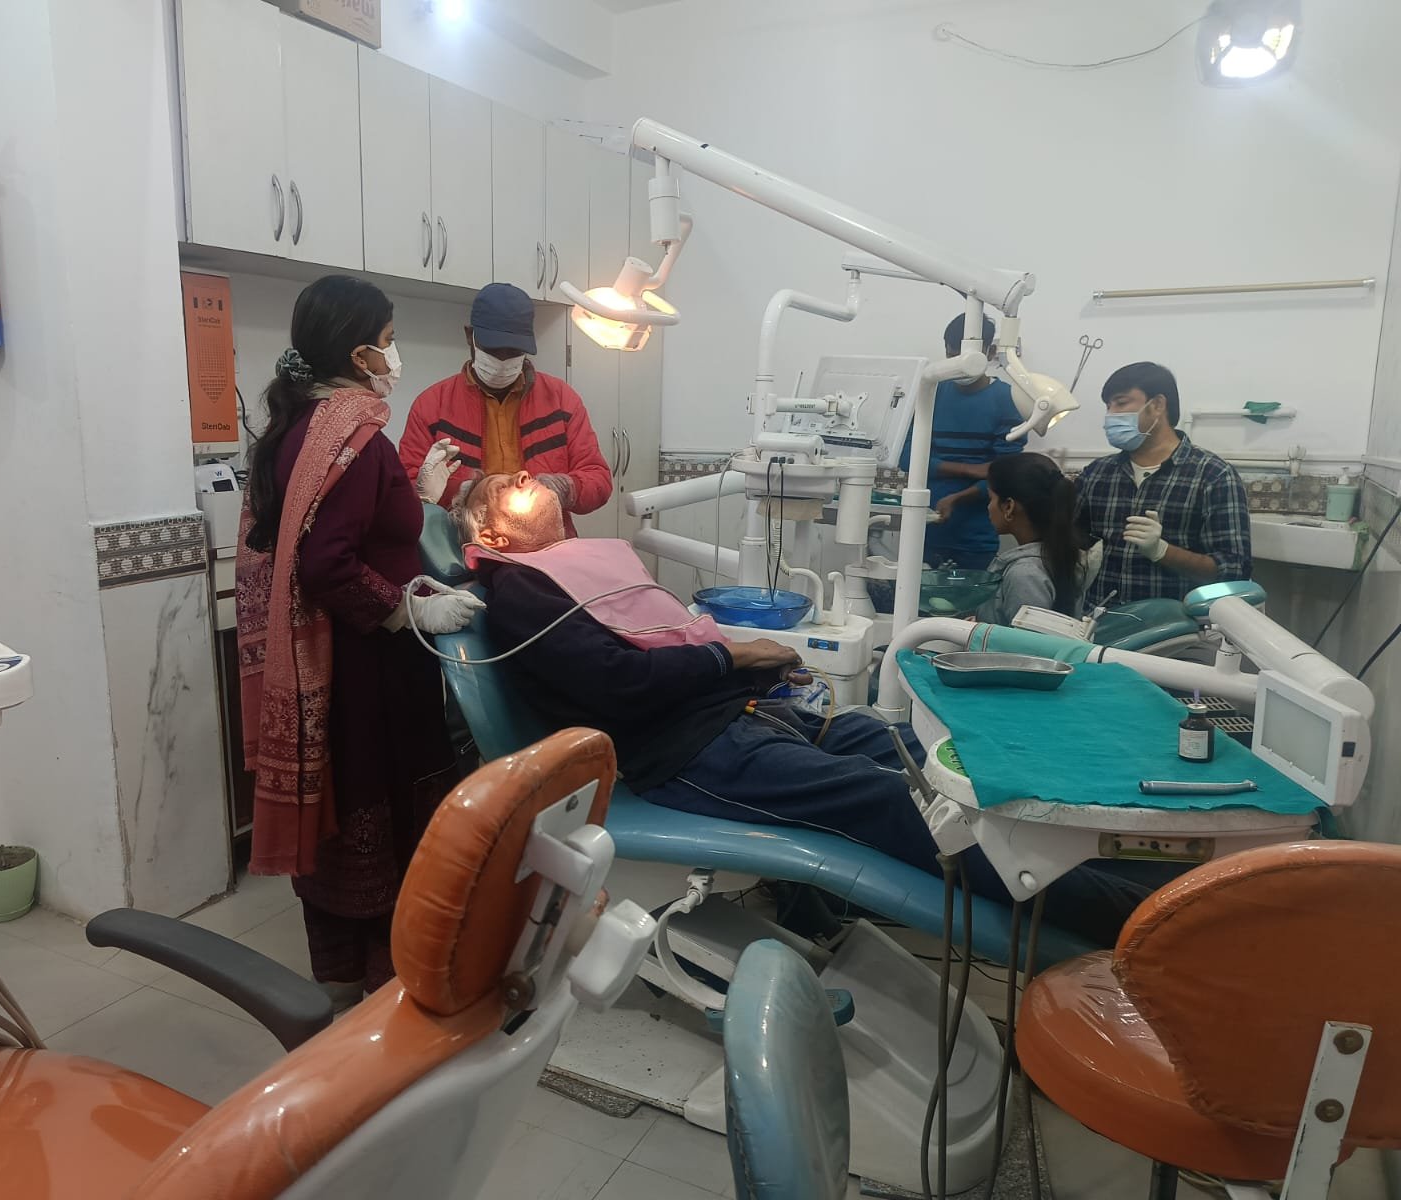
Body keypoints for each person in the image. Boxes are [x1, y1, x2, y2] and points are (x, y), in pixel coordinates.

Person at [455, 471, 1175, 947]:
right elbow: (614, 681)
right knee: (896, 801)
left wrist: (745, 663)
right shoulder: (520, 590)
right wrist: (735, 656)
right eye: (502, 487)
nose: (523, 473)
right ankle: (1134, 922)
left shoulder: (588, 563)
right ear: (489, 538)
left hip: (745, 715)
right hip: (685, 753)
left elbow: (667, 640)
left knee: (905, 746)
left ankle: (1139, 862)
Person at [236, 274, 483, 1009]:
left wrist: (421, 502)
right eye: (389, 337)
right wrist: (407, 613)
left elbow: (349, 532)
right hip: (370, 668)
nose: (394, 352)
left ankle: (343, 970)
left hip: (335, 659)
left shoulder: (296, 430)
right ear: (359, 351)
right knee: (384, 801)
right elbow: (326, 563)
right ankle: (391, 981)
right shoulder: (357, 437)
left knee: (348, 802)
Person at [399, 282, 612, 534]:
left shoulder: (562, 400)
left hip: (548, 544)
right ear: (470, 336)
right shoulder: (432, 407)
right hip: (464, 545)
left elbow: (598, 479)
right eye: (493, 350)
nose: (502, 361)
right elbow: (407, 488)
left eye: (513, 351)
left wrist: (566, 488)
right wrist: (465, 493)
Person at [1076, 362, 1251, 609]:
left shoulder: (1213, 475)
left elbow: (1234, 571)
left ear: (1157, 405)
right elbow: (1068, 538)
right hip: (1101, 622)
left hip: (1173, 631)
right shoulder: (1098, 473)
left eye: (1121, 403)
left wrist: (1163, 551)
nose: (1110, 415)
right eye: (1108, 406)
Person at [899, 313, 1025, 569]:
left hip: (976, 538)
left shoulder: (1008, 400)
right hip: (924, 533)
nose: (959, 366)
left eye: (967, 357)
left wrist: (956, 497)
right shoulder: (930, 394)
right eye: (952, 355)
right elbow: (905, 457)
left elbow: (1005, 475)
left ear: (989, 352)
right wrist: (969, 469)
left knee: (968, 608)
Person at [976, 452, 1084, 627]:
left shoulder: (1024, 575)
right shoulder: (1058, 554)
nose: (988, 507)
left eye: (991, 499)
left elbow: (1025, 647)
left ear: (1009, 507)